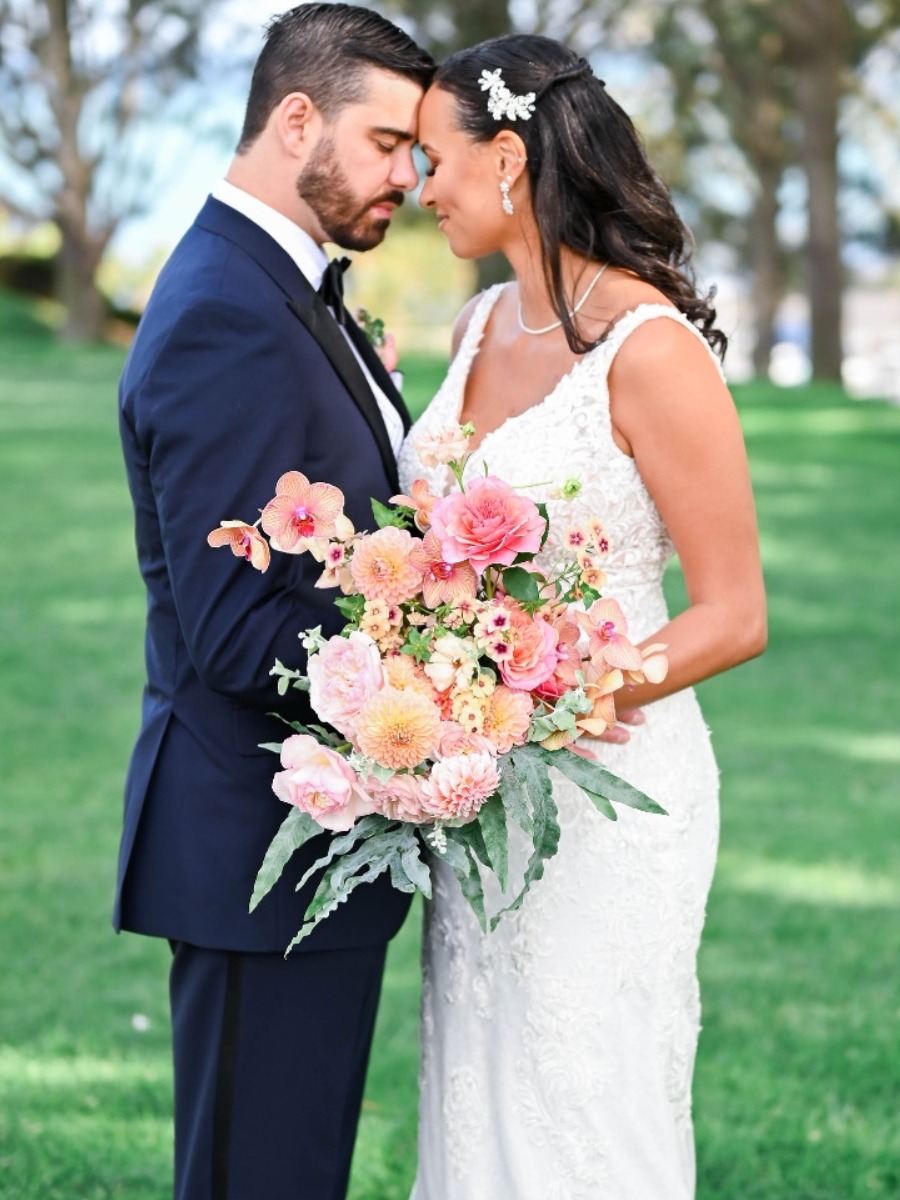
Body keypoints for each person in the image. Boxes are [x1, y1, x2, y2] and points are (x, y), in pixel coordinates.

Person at [398, 33, 767, 1200]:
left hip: (610, 794)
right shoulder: (473, 330)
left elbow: (736, 612)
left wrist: (545, 700)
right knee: (477, 1080)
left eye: (432, 159)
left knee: (585, 1096)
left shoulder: (649, 352)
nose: (420, 189)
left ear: (506, 158)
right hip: (482, 790)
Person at [114, 6, 433, 1198]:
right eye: (388, 141)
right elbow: (241, 631)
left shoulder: (285, 286)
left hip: (305, 851)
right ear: (296, 117)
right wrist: (449, 670)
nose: (408, 173)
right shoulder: (225, 315)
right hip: (257, 845)